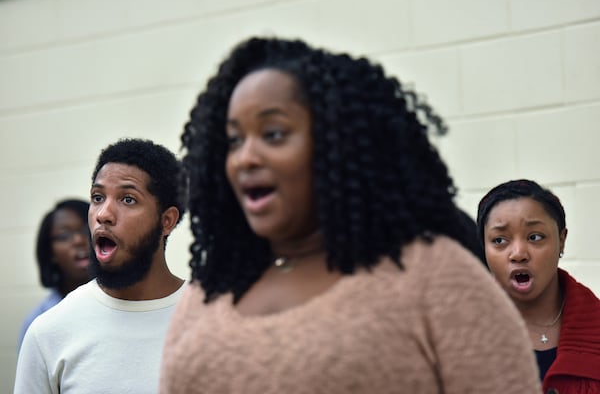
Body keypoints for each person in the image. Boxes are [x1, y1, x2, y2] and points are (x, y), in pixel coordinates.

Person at [159, 37, 541, 393]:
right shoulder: (205, 293)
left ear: (336, 143)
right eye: (234, 140)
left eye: (273, 134)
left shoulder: (434, 277)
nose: (245, 158)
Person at [14, 138, 186, 394]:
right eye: (97, 197)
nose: (103, 214)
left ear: (167, 221)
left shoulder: (213, 318)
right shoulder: (48, 332)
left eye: (127, 199)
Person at [477, 179, 600, 393]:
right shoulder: (457, 335)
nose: (518, 254)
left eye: (535, 237)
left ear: (562, 240)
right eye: (499, 240)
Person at [17, 199, 92, 351]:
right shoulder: (38, 322)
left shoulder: (128, 299)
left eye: (86, 230)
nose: (78, 240)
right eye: (64, 236)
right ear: (51, 253)